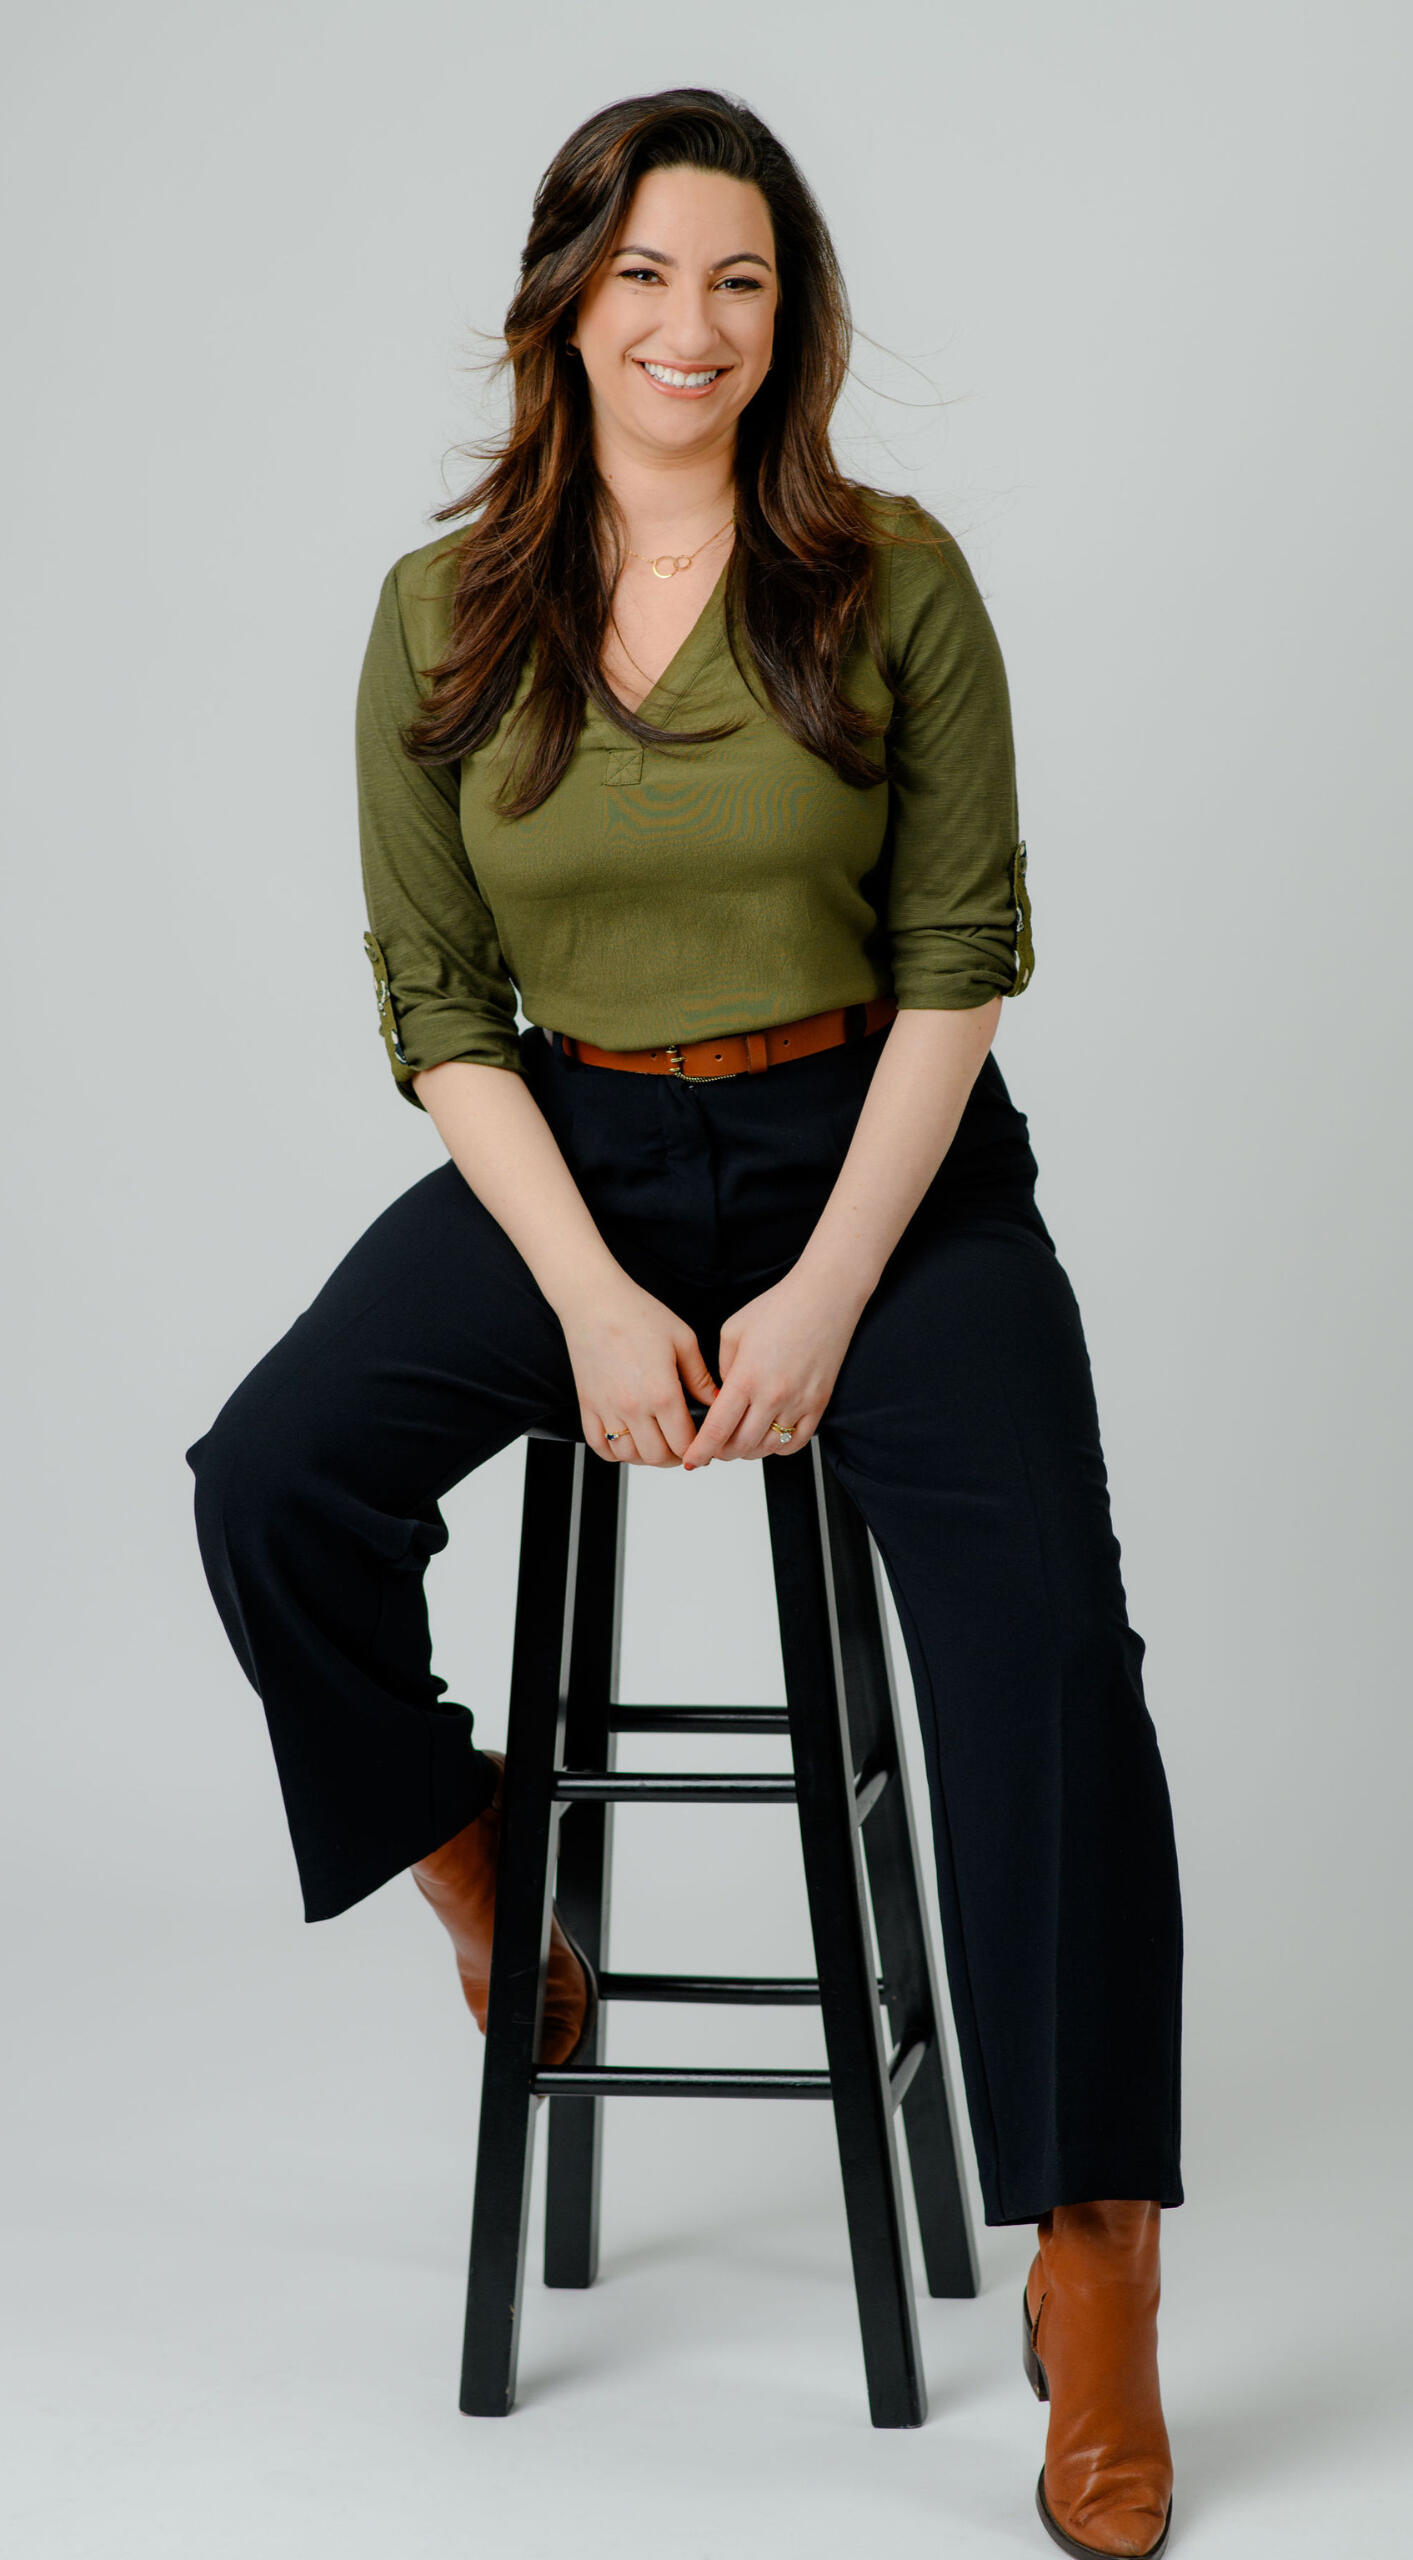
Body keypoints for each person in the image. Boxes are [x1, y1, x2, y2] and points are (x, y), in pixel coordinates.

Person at [184, 86, 1183, 2560]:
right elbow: (432, 1005)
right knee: (269, 1477)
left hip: (886, 1164)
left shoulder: (886, 575)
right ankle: (485, 1869)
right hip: (583, 1153)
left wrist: (825, 1289)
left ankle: (1093, 2254)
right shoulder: (440, 614)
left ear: (785, 317)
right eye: (645, 275)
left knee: (1051, 1650)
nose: (689, 325)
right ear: (567, 299)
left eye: (736, 281)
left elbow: (960, 957)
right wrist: (594, 1291)